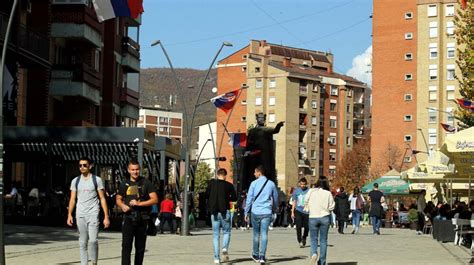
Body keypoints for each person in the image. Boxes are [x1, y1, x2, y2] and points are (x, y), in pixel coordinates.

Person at [66, 157, 110, 265]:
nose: (82, 167)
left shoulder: (97, 180)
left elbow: (102, 198)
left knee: (93, 240)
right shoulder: (75, 181)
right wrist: (69, 214)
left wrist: (106, 216)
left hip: (93, 213)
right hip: (80, 214)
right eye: (80, 165)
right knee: (82, 242)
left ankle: (94, 261)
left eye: (85, 165)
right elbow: (72, 199)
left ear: (90, 166)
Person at [116, 159, 158, 265]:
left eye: (137, 169)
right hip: (128, 218)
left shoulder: (146, 182)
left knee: (140, 248)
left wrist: (139, 204)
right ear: (129, 170)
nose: (135, 172)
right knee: (126, 246)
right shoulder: (124, 183)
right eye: (133, 169)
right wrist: (122, 205)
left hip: (142, 219)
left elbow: (155, 199)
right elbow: (118, 198)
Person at [244, 165, 278, 264]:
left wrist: (246, 212)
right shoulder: (271, 184)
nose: (254, 174)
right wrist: (275, 208)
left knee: (256, 234)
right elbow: (275, 198)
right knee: (264, 234)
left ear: (259, 172)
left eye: (255, 172)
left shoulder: (253, 184)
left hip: (255, 212)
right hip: (267, 212)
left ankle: (255, 254)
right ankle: (262, 256)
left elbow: (249, 199)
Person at [242, 113, 284, 190]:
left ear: (264, 119)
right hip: (254, 155)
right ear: (257, 119)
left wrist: (279, 125)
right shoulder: (252, 131)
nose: (261, 119)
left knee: (266, 170)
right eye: (259, 118)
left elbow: (275, 130)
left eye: (262, 118)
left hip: (265, 155)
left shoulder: (266, 129)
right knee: (252, 171)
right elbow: (249, 143)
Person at [206, 168, 237, 264]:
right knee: (227, 232)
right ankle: (224, 248)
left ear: (217, 174)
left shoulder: (211, 184)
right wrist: (227, 197)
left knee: (216, 235)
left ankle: (216, 258)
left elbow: (206, 195)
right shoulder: (229, 186)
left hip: (214, 212)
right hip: (225, 211)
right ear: (225, 175)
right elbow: (234, 198)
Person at [305, 176, 335, 265]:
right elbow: (332, 206)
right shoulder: (328, 193)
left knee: (313, 239)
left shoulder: (310, 191)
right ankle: (322, 262)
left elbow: (305, 202)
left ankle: (314, 253)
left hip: (313, 217)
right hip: (324, 217)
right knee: (323, 240)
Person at [291, 177, 310, 247]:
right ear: (299, 184)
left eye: (304, 184)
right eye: (301, 184)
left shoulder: (309, 191)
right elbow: (294, 201)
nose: (303, 186)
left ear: (306, 184)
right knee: (298, 226)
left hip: (307, 211)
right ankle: (300, 240)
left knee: (307, 227)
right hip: (298, 210)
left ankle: (304, 237)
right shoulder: (296, 191)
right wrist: (292, 212)